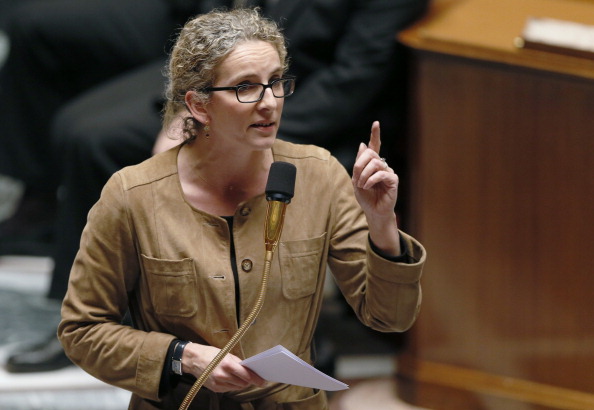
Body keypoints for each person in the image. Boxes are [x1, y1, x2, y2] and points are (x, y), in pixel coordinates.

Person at [4, 0, 429, 373]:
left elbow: (353, 80)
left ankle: (294, 334)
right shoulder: (130, 187)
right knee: (82, 126)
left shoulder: (315, 165)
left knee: (94, 136)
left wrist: (252, 122)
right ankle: (104, 299)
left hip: (313, 108)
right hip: (226, 75)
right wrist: (198, 108)